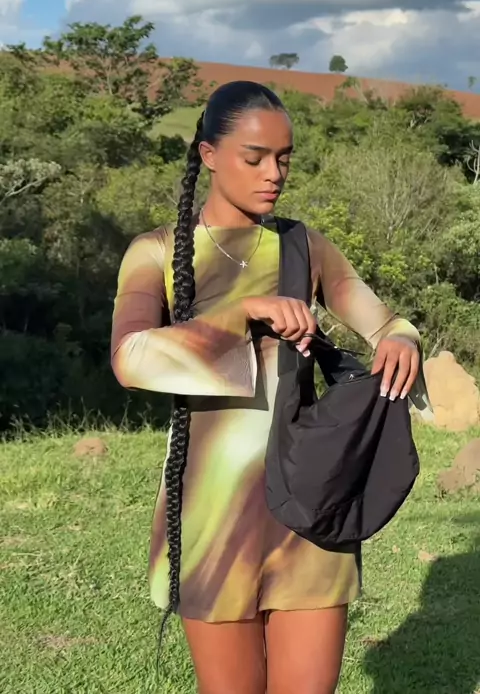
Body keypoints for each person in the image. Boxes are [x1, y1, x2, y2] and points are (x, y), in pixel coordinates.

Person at [111, 81, 424, 694]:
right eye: (254, 158)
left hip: (310, 503)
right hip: (212, 513)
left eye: (284, 158)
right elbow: (130, 359)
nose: (273, 174)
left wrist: (401, 340)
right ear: (209, 155)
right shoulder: (154, 253)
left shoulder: (305, 246)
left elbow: (387, 322)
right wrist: (241, 313)